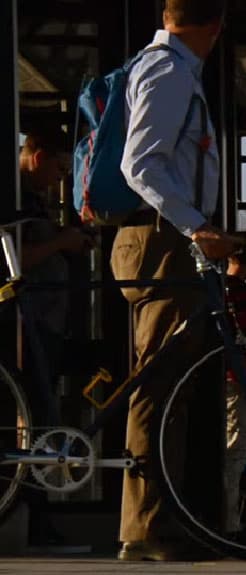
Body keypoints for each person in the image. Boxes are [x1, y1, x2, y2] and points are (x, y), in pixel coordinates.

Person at [112, 0, 236, 562]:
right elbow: (139, 163)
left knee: (171, 385)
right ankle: (143, 530)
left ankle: (162, 520)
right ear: (217, 25)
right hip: (161, 239)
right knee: (158, 384)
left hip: (169, 238)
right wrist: (196, 226)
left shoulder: (173, 66)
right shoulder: (167, 70)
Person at [16, 125, 93, 547]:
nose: (61, 179)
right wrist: (62, 241)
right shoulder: (17, 201)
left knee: (42, 415)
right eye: (60, 169)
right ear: (38, 155)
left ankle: (38, 518)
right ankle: (35, 520)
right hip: (28, 324)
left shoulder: (32, 201)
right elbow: (16, 260)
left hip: (45, 323)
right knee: (38, 417)